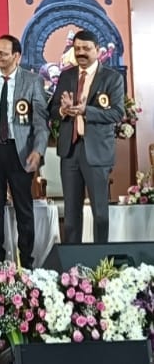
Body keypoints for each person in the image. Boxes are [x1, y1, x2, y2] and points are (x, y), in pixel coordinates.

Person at [0, 34, 49, 269]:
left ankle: (27, 262)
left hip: (20, 152)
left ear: (17, 56)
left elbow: (41, 121)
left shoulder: (32, 81)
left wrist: (38, 150)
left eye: (3, 54)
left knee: (23, 208)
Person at [49, 30, 124, 243]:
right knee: (71, 218)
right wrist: (63, 110)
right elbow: (52, 110)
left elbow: (117, 113)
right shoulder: (66, 76)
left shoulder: (111, 78)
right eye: (77, 48)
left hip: (97, 152)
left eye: (86, 49)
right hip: (70, 151)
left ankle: (101, 260)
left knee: (100, 215)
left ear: (97, 50)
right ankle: (73, 261)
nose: (81, 53)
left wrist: (86, 111)